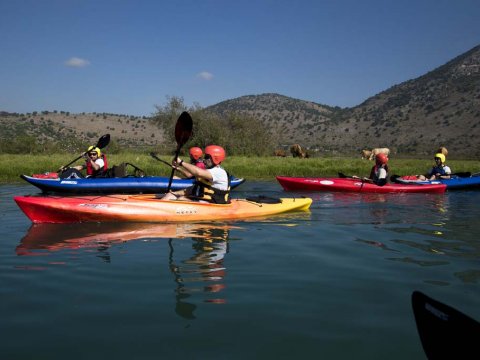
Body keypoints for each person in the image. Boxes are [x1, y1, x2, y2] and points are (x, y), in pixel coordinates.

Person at [162, 145, 230, 204]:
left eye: (206, 157)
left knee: (181, 199)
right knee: (169, 196)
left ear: (215, 158)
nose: (203, 160)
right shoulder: (208, 171)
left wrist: (181, 162)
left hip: (213, 204)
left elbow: (198, 172)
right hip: (202, 201)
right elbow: (192, 190)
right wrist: (174, 193)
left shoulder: (219, 172)